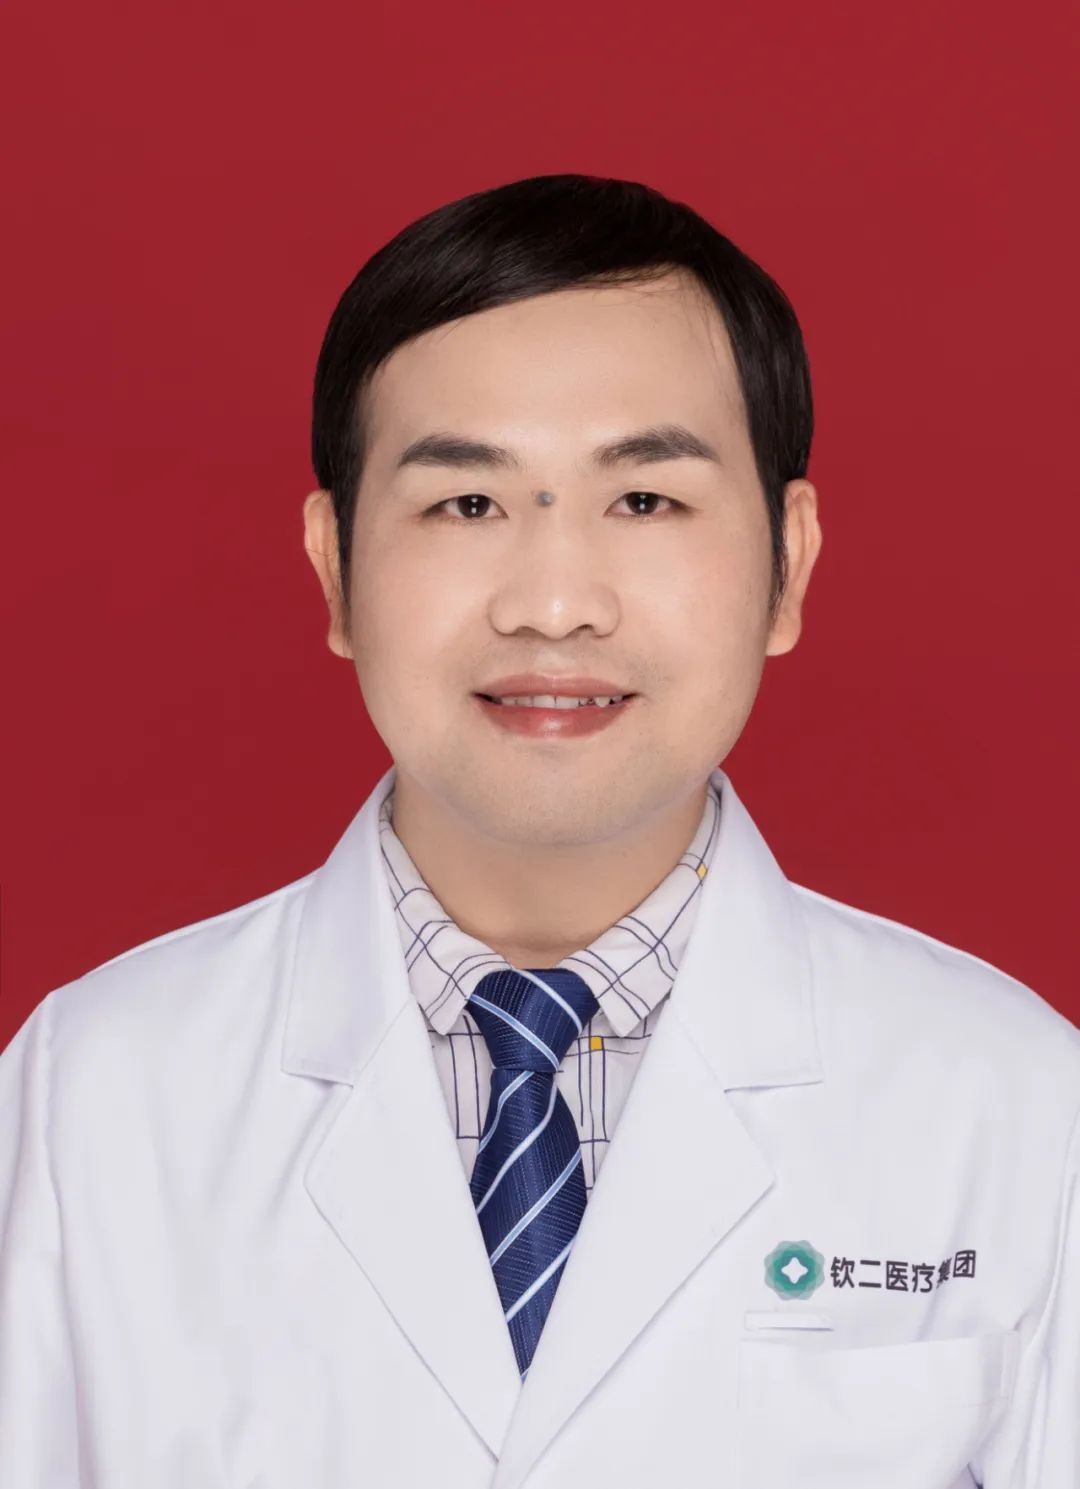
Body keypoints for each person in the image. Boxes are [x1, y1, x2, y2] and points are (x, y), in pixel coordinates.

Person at [1, 173, 1076, 1488]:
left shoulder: (1017, 1103)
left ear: (789, 564)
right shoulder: (88, 1093)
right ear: (334, 566)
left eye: (645, 501)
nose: (554, 604)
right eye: (466, 504)